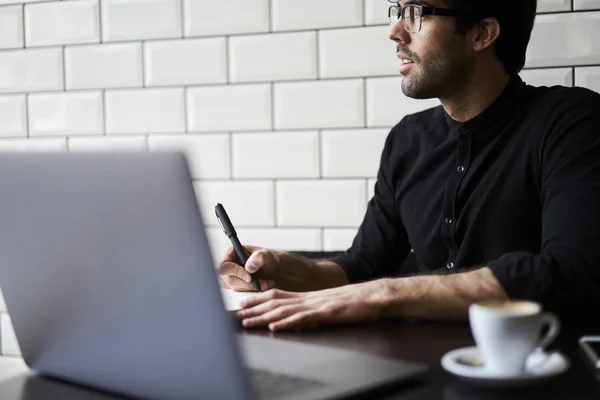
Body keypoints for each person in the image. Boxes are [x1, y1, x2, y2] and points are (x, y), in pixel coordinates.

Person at [218, 0, 600, 331]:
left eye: (416, 13)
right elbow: (363, 265)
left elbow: (568, 271)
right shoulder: (408, 139)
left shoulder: (572, 122)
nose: (395, 31)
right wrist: (284, 268)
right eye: (398, 10)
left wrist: (385, 293)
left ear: (482, 34)